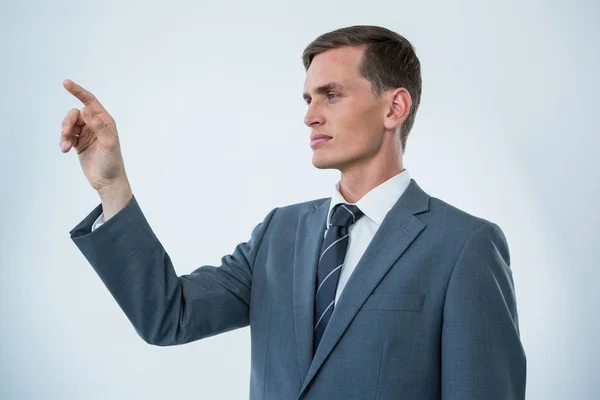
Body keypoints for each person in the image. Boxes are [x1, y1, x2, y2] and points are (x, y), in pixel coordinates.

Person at [61, 25, 526, 399]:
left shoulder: (465, 246)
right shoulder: (278, 233)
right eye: (308, 99)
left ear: (394, 108)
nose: (310, 116)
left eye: (331, 95)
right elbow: (168, 316)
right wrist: (112, 186)